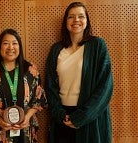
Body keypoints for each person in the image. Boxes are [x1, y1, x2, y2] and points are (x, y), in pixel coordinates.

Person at [45, 2, 114, 143]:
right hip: (63, 118)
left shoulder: (98, 46)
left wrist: (82, 117)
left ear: (87, 21)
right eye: (71, 17)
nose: (76, 20)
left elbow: (105, 87)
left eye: (81, 16)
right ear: (65, 22)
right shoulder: (56, 50)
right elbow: (50, 85)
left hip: (89, 118)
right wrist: (60, 114)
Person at [0, 28, 47, 143]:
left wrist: (27, 117)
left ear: (19, 47)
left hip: (25, 131)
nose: (10, 47)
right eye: (6, 43)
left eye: (14, 43)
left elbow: (39, 97)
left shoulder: (30, 70)